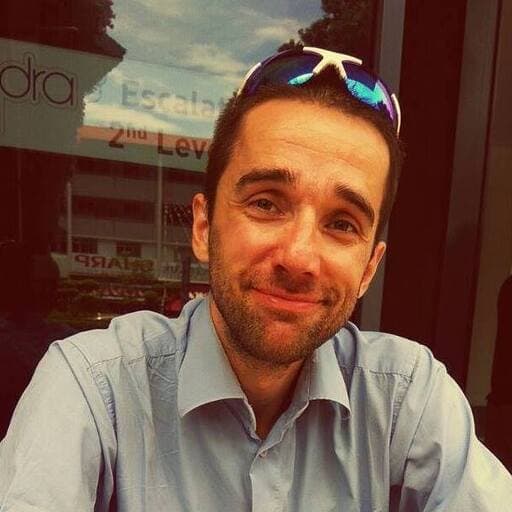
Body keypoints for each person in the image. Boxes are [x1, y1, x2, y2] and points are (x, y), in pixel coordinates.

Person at [0, 47, 511, 511]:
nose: (299, 256)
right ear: (204, 227)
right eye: (266, 203)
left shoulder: (406, 399)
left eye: (342, 224)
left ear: (368, 270)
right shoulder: (95, 388)